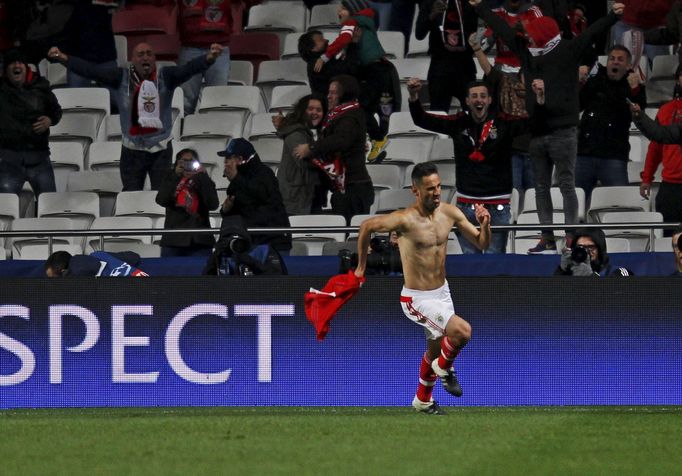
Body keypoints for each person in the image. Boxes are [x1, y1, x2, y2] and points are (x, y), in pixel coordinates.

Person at [470, 0, 625, 254]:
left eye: (531, 33)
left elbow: (590, 33)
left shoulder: (568, 50)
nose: (526, 36)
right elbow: (503, 29)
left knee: (566, 184)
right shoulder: (527, 53)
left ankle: (571, 237)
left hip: (563, 131)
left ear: (542, 36)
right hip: (537, 131)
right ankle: (547, 238)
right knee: (540, 187)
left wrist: (613, 16)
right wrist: (479, 8)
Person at [354, 161, 491, 414]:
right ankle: (444, 368)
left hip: (442, 293)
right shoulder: (404, 219)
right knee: (463, 332)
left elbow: (481, 243)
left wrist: (484, 224)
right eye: (430, 189)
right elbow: (366, 227)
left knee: (435, 349)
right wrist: (361, 267)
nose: (436, 192)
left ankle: (423, 401)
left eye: (438, 187)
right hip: (416, 298)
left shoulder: (449, 213)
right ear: (415, 190)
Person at [47, 41, 223, 191]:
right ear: (132, 59)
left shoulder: (166, 76)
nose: (145, 57)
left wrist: (209, 58)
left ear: (154, 58)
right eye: (140, 54)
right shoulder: (119, 77)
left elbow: (188, 69)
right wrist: (63, 58)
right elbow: (90, 70)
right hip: (131, 150)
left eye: (149, 54)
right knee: (131, 196)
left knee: (160, 198)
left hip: (160, 149)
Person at [408, 77, 545, 253]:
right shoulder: (458, 122)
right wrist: (413, 95)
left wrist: (540, 98)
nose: (478, 100)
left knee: (493, 262)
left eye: (482, 96)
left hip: (497, 205)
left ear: (489, 100)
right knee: (470, 263)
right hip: (466, 205)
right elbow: (422, 119)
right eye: (474, 96)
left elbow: (535, 123)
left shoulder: (504, 123)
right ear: (467, 101)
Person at [316, 0, 400, 161]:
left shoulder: (352, 22)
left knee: (360, 109)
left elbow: (344, 39)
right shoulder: (366, 23)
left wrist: (325, 56)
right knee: (367, 109)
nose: (338, 12)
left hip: (373, 72)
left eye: (342, 8)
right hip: (381, 71)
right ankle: (376, 140)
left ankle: (378, 138)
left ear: (351, 10)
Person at [293, 74, 374, 223]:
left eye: (333, 93)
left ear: (345, 93)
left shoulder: (350, 116)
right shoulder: (340, 114)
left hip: (353, 189)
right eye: (329, 92)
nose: (328, 96)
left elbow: (340, 140)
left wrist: (311, 148)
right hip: (346, 188)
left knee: (349, 239)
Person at [575, 44, 646, 200]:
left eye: (620, 60)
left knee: (620, 203)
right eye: (612, 59)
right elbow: (576, 105)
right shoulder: (594, 81)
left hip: (614, 156)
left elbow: (640, 113)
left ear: (628, 66)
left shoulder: (633, 86)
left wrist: (635, 89)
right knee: (577, 204)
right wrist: (579, 83)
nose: (615, 62)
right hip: (584, 153)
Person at [469, 32, 535, 194]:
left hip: (535, 154)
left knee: (534, 197)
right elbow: (488, 70)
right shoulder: (507, 87)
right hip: (512, 153)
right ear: (520, 77)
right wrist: (477, 48)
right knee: (513, 193)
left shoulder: (540, 95)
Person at [177, 0, 261, 114]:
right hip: (189, 47)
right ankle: (180, 130)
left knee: (217, 101)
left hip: (219, 48)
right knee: (184, 103)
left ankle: (215, 130)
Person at [0, 48, 61, 198]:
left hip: (39, 159)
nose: (17, 66)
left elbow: (56, 111)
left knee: (50, 206)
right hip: (9, 160)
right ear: (5, 70)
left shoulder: (40, 86)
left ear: (26, 66)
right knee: (4, 210)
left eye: (20, 62)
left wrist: (49, 120)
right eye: (12, 63)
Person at [218, 138, 292, 255]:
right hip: (250, 240)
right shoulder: (236, 181)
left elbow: (263, 195)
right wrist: (226, 210)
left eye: (228, 158)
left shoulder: (264, 173)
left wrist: (237, 178)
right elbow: (239, 211)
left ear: (240, 159)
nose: (225, 162)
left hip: (273, 240)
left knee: (274, 272)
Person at [414, 0, 479, 113]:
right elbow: (419, 33)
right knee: (438, 115)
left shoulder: (471, 1)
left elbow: (477, 30)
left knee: (473, 115)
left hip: (464, 65)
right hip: (440, 67)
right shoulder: (431, 2)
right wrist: (433, 14)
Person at [639, 66, 682, 236]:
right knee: (669, 241)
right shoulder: (666, 110)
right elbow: (655, 147)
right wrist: (647, 178)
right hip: (671, 187)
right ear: (678, 79)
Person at [155, 148, 219, 257]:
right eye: (184, 161)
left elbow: (213, 204)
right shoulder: (170, 178)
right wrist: (175, 175)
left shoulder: (203, 180)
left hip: (200, 241)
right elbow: (162, 200)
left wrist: (202, 177)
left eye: (191, 161)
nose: (188, 165)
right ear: (177, 163)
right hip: (174, 241)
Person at [275, 93, 328, 215]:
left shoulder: (314, 133)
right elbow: (304, 161)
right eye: (310, 109)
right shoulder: (295, 133)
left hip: (308, 197)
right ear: (302, 111)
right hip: (296, 200)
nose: (315, 113)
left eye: (319, 110)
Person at [298, 29, 359, 98]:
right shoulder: (317, 65)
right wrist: (353, 44)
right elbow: (349, 70)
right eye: (321, 40)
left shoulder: (324, 60)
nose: (327, 40)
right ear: (312, 48)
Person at [554, 227, 634, 276]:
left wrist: (590, 277)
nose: (586, 251)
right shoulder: (569, 273)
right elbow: (551, 298)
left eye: (590, 247)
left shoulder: (618, 272)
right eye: (580, 247)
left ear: (600, 249)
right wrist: (562, 271)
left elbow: (623, 299)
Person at [45, 250, 148, 277]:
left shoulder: (76, 280)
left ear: (63, 271)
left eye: (53, 278)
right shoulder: (99, 254)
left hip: (136, 295)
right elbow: (134, 258)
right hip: (152, 283)